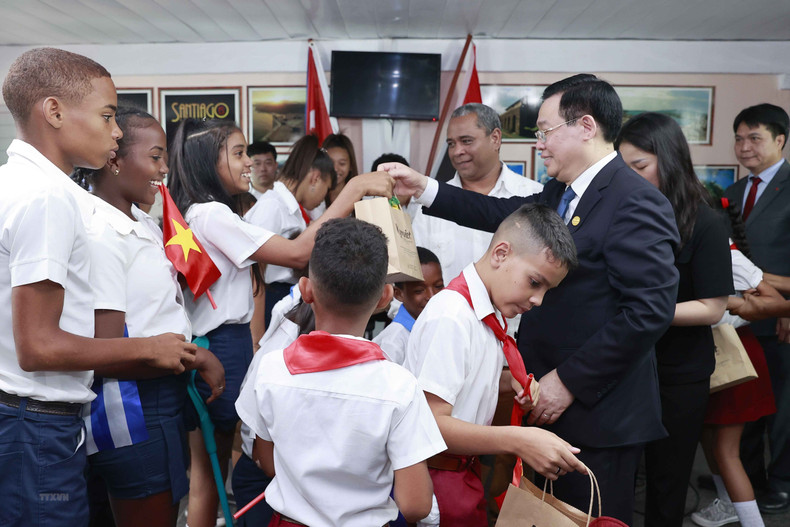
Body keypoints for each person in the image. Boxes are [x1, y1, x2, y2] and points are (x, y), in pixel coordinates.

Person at [383, 74, 680, 524]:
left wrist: (569, 381)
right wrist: (425, 188)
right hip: (548, 399)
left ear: (585, 125)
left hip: (597, 411)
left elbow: (648, 311)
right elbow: (503, 218)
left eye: (544, 131)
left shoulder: (633, 200)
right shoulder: (563, 191)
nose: (538, 143)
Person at [0, 47, 195, 527]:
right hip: (36, 423)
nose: (115, 131)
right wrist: (149, 348)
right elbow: (38, 346)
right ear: (54, 111)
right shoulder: (48, 197)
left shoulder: (15, 182)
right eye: (107, 116)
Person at [166, 118, 392, 527]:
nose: (248, 164)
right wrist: (354, 190)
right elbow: (296, 252)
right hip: (223, 344)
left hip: (219, 340)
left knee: (208, 471)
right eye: (237, 155)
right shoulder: (212, 214)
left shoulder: (207, 212)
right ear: (205, 161)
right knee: (230, 459)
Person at [236, 217, 447, 526]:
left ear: (305, 290)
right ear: (385, 297)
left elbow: (266, 460)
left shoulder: (272, 369)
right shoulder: (399, 386)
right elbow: (415, 504)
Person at [71, 107, 226, 527]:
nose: (164, 169)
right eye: (155, 157)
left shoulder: (138, 219)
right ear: (115, 160)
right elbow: (105, 348)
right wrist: (195, 357)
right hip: (130, 403)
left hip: (159, 389)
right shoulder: (102, 231)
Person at [405, 204, 584, 527]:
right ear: (501, 253)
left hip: (464, 470)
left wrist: (510, 382)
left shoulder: (488, 311)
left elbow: (463, 378)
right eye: (534, 282)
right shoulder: (452, 316)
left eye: (547, 290)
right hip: (436, 476)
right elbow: (432, 423)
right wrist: (518, 440)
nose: (538, 300)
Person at [616, 112, 733, 527]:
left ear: (669, 159)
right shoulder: (623, 216)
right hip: (622, 367)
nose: (630, 178)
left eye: (640, 167)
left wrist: (645, 316)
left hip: (678, 374)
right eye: (623, 168)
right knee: (618, 478)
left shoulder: (706, 222)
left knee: (668, 481)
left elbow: (713, 308)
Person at [690, 199, 779, 527]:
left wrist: (733, 307)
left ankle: (752, 521)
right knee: (709, 441)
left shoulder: (729, 255)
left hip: (735, 356)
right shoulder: (703, 249)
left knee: (727, 452)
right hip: (711, 356)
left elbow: (773, 301)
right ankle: (727, 504)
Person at [722, 103, 790, 513]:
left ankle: (781, 480)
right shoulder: (732, 193)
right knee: (746, 405)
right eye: (739, 138)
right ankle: (750, 479)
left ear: (780, 140)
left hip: (781, 318)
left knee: (783, 408)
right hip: (741, 318)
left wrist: (785, 309)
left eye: (755, 138)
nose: (744, 147)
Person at [410, 103, 543, 286]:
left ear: (495, 138)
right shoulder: (430, 205)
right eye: (451, 144)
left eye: (466, 141)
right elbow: (413, 275)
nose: (457, 152)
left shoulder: (534, 195)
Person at [246, 134, 336, 331]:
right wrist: (256, 335)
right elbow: (254, 272)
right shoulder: (272, 206)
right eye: (326, 189)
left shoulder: (290, 209)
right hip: (270, 299)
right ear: (315, 178)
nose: (323, 199)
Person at [373, 247, 444, 365]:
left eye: (438, 286)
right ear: (398, 294)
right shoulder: (393, 342)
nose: (431, 296)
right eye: (419, 290)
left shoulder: (440, 325)